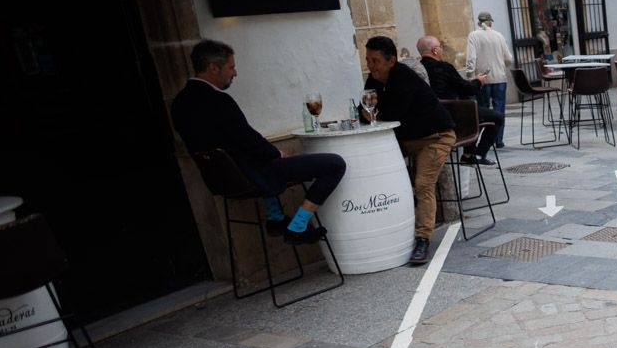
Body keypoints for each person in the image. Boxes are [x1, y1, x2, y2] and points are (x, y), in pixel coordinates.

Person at [169, 39, 343, 245]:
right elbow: (247, 139)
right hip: (249, 175)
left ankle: (275, 218)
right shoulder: (218, 101)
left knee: (265, 160)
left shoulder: (179, 103)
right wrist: (275, 152)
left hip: (222, 179)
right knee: (335, 164)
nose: (235, 73)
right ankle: (297, 227)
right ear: (213, 68)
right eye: (231, 67)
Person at [361, 35, 455, 267]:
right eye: (368, 60)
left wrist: (372, 113)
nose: (371, 66)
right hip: (407, 139)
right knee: (378, 174)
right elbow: (363, 110)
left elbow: (392, 113)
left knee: (423, 183)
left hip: (436, 136)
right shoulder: (373, 80)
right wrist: (370, 113)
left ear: (391, 60)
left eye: (375, 61)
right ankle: (389, 229)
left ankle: (422, 239)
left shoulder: (403, 77)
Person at [417, 35, 502, 163]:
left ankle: (469, 154)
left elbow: (457, 84)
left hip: (432, 116)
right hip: (455, 115)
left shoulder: (419, 68)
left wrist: (473, 81)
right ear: (435, 50)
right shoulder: (443, 67)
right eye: (440, 47)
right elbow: (467, 89)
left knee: (474, 111)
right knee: (496, 117)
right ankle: (474, 155)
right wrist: (478, 81)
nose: (441, 50)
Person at [465, 11, 513, 133]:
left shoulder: (473, 35)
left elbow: (471, 58)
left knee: (483, 109)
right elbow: (508, 59)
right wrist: (501, 66)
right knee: (499, 109)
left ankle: (484, 137)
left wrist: (471, 76)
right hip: (500, 78)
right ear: (490, 23)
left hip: (482, 78)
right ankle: (498, 139)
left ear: (478, 23)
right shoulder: (499, 36)